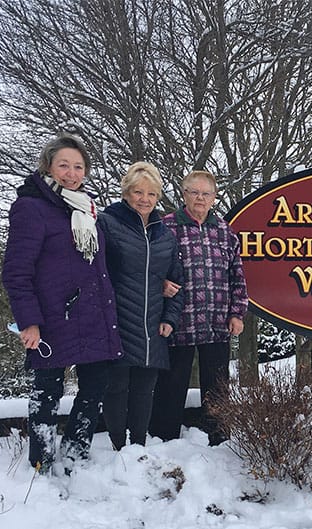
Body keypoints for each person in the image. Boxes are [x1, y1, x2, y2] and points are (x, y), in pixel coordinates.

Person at [2, 134, 123, 473]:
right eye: (64, 165)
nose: (71, 173)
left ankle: (74, 451)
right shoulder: (31, 207)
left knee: (96, 387)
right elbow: (16, 270)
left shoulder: (87, 208)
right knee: (47, 393)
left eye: (78, 166)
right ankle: (41, 461)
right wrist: (29, 322)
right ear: (49, 167)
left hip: (95, 315)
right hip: (54, 317)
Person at [149, 170, 248, 445]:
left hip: (217, 323)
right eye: (194, 192)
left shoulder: (224, 231)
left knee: (217, 387)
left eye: (206, 194)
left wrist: (237, 312)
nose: (200, 198)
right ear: (184, 195)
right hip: (178, 321)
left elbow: (236, 274)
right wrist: (160, 285)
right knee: (171, 386)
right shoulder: (165, 227)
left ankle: (220, 439)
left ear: (214, 197)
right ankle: (164, 441)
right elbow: (149, 268)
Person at [99, 162, 184, 449]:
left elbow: (177, 282)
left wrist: (170, 320)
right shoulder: (108, 224)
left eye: (150, 193)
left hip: (152, 324)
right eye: (138, 192)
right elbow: (97, 273)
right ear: (126, 193)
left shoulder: (165, 235)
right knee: (116, 388)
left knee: (144, 391)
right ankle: (117, 448)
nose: (144, 199)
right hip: (118, 319)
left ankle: (137, 447)